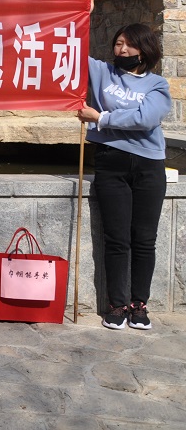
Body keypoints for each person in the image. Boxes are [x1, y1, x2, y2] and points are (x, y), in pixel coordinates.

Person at [77, 20, 170, 331]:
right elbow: (70, 51)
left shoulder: (157, 85)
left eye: (130, 44)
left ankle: (139, 305)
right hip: (110, 163)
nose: (123, 49)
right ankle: (117, 305)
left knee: (144, 239)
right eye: (118, 43)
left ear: (145, 50)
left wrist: (101, 118)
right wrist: (83, 15)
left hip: (149, 167)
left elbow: (146, 118)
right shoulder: (102, 72)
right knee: (116, 239)